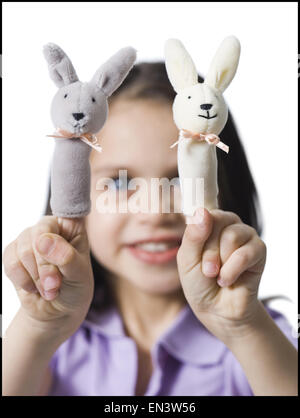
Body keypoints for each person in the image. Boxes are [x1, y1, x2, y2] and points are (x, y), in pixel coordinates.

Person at [3, 63, 298, 396]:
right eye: (118, 182)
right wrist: (39, 327)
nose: (155, 211)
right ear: (73, 196)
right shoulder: (51, 343)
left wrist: (244, 329)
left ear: (226, 189)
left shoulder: (259, 336)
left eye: (181, 180)